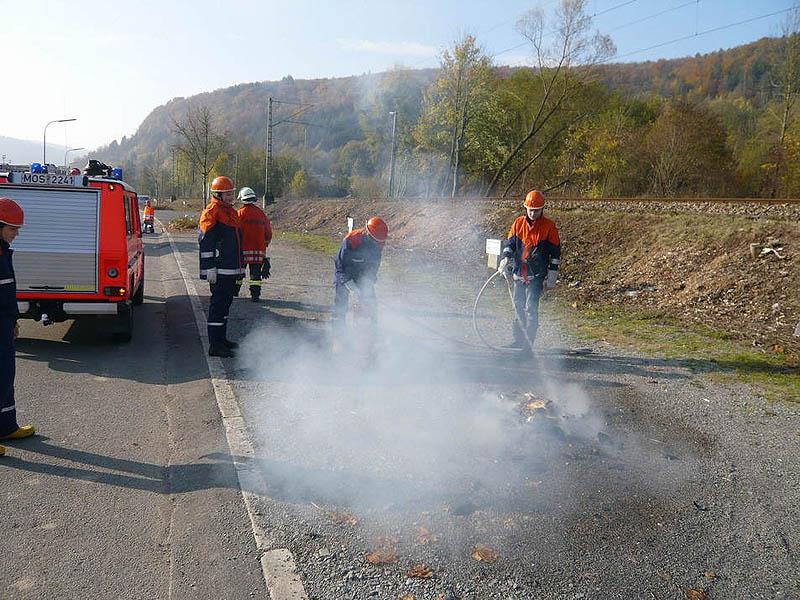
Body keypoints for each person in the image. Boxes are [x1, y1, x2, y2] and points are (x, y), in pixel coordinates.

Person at [498, 189, 561, 354]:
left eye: (536, 210)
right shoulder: (518, 223)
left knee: (530, 308)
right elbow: (510, 244)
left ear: (542, 209)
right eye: (530, 210)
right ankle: (518, 340)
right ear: (525, 208)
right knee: (518, 306)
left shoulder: (549, 227)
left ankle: (528, 345)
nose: (533, 213)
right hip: (519, 273)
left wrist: (552, 276)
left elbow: (555, 254)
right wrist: (505, 258)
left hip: (536, 275)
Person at [0, 198, 35, 456]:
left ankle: (6, 426)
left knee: (5, 375)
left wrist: (12, 322)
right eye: (13, 228)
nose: (17, 234)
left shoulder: (3, 252)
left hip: (3, 323)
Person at [199, 176, 242, 358]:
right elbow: (205, 243)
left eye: (232, 193)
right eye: (228, 194)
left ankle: (221, 340)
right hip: (219, 269)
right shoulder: (212, 212)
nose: (231, 197)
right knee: (218, 307)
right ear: (218, 194)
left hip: (230, 269)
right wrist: (209, 268)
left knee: (225, 306)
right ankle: (215, 346)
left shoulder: (229, 211)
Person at [332, 217, 388, 340]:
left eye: (379, 242)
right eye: (375, 241)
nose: (378, 244)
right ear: (368, 233)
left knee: (371, 304)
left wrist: (367, 285)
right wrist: (350, 286)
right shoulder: (352, 240)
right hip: (345, 275)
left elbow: (373, 268)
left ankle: (372, 335)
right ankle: (338, 335)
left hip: (362, 276)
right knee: (341, 305)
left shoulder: (378, 244)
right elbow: (340, 266)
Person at [235, 187, 273, 303]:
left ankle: (235, 291)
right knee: (255, 275)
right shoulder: (261, 214)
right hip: (258, 251)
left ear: (242, 199)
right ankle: (255, 296)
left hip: (242, 250)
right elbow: (268, 233)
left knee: (239, 272)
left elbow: (235, 231)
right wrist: (264, 244)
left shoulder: (239, 213)